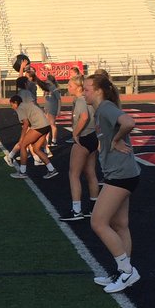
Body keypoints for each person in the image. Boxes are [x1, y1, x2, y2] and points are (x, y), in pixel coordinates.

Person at [84, 70, 141, 294]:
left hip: (121, 174)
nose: (84, 93)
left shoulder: (106, 107)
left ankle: (127, 271)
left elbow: (128, 122)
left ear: (98, 91)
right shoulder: (101, 110)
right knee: (120, 225)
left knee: (97, 222)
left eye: (87, 90)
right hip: (122, 173)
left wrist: (116, 140)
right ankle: (123, 271)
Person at [60, 72, 100, 222]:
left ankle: (76, 210)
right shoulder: (88, 99)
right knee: (90, 173)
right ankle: (93, 208)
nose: (68, 88)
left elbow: (84, 117)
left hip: (84, 138)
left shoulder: (80, 100)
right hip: (92, 137)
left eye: (70, 85)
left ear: (78, 88)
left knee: (73, 174)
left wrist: (75, 134)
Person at [7, 94, 58, 180]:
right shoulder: (27, 105)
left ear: (16, 102)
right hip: (46, 126)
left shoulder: (20, 108)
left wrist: (22, 138)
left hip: (39, 126)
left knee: (23, 145)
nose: (12, 107)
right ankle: (51, 169)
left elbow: (26, 124)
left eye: (12, 105)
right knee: (36, 149)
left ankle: (22, 172)